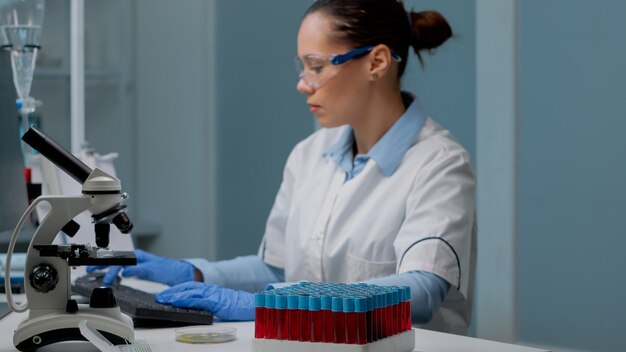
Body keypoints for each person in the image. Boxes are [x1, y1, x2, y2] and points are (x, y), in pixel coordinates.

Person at [89, 0, 476, 335]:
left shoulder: (438, 164)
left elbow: (422, 293)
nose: (303, 84)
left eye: (317, 67)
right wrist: (192, 273)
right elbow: (278, 269)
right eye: (302, 67)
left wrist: (274, 306)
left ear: (376, 62)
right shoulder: (310, 154)